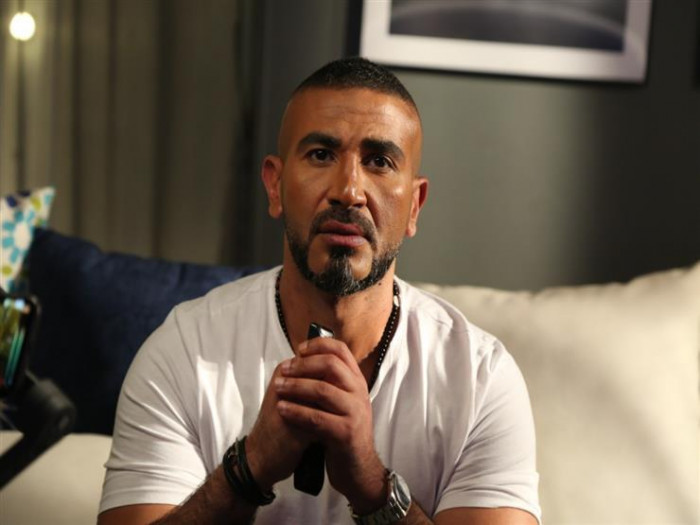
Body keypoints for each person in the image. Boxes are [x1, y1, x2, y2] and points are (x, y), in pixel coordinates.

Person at [98, 57, 541, 525]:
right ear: (275, 185)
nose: (348, 190)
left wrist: (372, 485)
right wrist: (250, 468)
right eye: (321, 155)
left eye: (379, 162)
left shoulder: (480, 379)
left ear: (414, 204)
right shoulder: (184, 351)